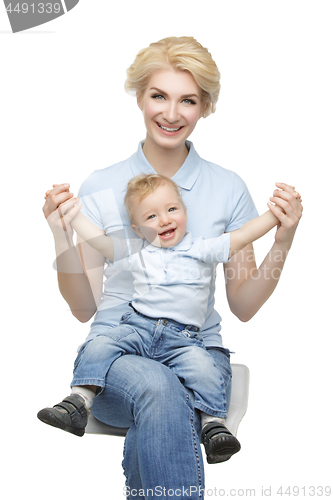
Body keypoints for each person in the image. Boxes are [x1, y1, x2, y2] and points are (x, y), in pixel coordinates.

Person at [41, 37, 302, 498]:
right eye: (159, 95)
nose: (171, 113)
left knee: (169, 391)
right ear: (139, 96)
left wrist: (283, 237)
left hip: (194, 353)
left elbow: (243, 305)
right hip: (119, 359)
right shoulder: (101, 186)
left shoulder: (227, 188)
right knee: (160, 386)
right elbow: (84, 308)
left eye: (189, 100)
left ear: (205, 107)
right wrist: (61, 233)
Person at [38, 172, 283, 463]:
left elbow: (244, 235)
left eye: (171, 210)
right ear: (138, 229)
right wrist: (69, 214)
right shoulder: (138, 251)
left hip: (184, 339)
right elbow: (100, 241)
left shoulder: (203, 248)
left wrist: (275, 215)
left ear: (185, 212)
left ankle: (213, 426)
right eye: (151, 216)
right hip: (139, 328)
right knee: (100, 345)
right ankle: (78, 402)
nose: (165, 220)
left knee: (205, 370)